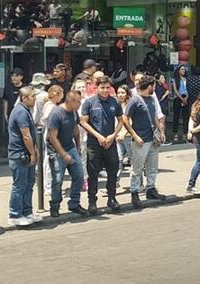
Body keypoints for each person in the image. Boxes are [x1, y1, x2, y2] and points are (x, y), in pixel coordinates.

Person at [79, 77, 124, 214]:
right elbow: (83, 122)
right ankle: (92, 202)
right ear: (96, 88)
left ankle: (112, 198)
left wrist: (113, 135)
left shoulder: (114, 102)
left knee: (112, 171)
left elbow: (121, 120)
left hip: (110, 143)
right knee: (93, 173)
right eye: (102, 87)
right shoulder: (89, 103)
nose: (105, 90)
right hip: (94, 143)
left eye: (107, 87)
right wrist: (97, 135)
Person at [123, 78, 163, 208]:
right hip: (141, 139)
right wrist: (134, 135)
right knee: (137, 168)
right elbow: (125, 118)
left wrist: (161, 131)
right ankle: (134, 192)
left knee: (152, 166)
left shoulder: (151, 99)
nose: (155, 89)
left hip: (152, 138)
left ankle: (150, 188)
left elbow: (155, 117)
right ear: (149, 86)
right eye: (154, 86)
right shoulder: (135, 100)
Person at [46, 89, 87, 217]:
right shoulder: (56, 113)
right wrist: (63, 154)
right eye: (78, 102)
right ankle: (55, 205)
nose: (80, 104)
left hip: (70, 147)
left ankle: (74, 203)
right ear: (70, 101)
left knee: (79, 175)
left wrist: (78, 146)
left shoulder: (74, 112)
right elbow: (53, 137)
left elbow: (75, 128)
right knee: (58, 179)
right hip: (56, 150)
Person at [7, 87, 40, 227]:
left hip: (25, 153)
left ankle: (27, 211)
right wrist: (32, 153)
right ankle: (14, 214)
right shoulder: (21, 112)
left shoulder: (25, 111)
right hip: (19, 154)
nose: (34, 98)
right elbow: (26, 135)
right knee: (19, 186)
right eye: (32, 96)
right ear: (24, 98)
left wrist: (35, 150)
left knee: (29, 184)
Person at [170, 65, 190, 143]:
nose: (183, 71)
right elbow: (175, 90)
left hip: (186, 97)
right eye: (182, 69)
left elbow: (188, 88)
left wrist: (186, 98)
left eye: (184, 69)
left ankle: (185, 134)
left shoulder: (187, 79)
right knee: (176, 116)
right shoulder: (175, 79)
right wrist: (181, 99)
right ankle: (175, 133)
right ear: (178, 70)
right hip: (178, 98)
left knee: (186, 117)